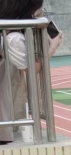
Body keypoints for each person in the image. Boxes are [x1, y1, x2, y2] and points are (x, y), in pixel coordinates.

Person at [0, 0, 63, 144]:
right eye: (39, 11)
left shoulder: (10, 29)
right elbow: (31, 69)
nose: (42, 14)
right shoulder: (13, 37)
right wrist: (53, 47)